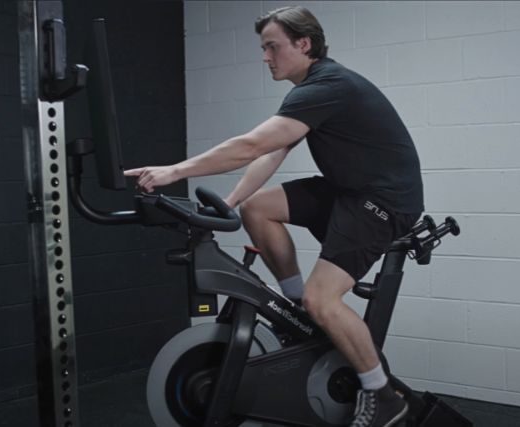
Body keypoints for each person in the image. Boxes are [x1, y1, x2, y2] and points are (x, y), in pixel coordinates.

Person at [124, 6, 423, 427]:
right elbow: (269, 153)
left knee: (326, 299)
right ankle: (298, 308)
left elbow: (249, 146)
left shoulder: (328, 85)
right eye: (263, 48)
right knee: (258, 208)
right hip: (348, 191)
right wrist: (227, 205)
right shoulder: (310, 89)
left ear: (304, 44)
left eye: (272, 47)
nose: (265, 56)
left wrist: (174, 171)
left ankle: (384, 396)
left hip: (382, 202)